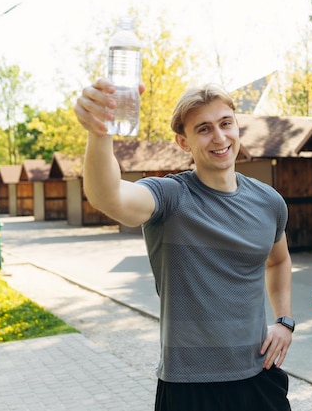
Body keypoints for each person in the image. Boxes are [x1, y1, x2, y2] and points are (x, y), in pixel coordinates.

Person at [74, 79, 294, 411]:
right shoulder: (170, 197)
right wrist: (99, 132)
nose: (219, 137)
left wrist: (284, 320)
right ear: (184, 142)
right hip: (189, 387)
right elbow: (109, 196)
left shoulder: (269, 202)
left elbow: (278, 262)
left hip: (260, 377)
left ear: (237, 126)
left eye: (225, 123)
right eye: (203, 129)